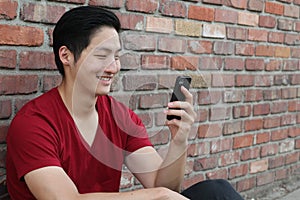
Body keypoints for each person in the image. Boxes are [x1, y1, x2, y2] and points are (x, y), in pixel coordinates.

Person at [6, 6, 244, 200]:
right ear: (66, 56)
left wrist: (178, 140)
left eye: (117, 57)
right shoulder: (33, 124)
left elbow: (165, 187)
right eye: (102, 56)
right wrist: (157, 195)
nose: (114, 67)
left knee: (217, 191)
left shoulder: (120, 117)